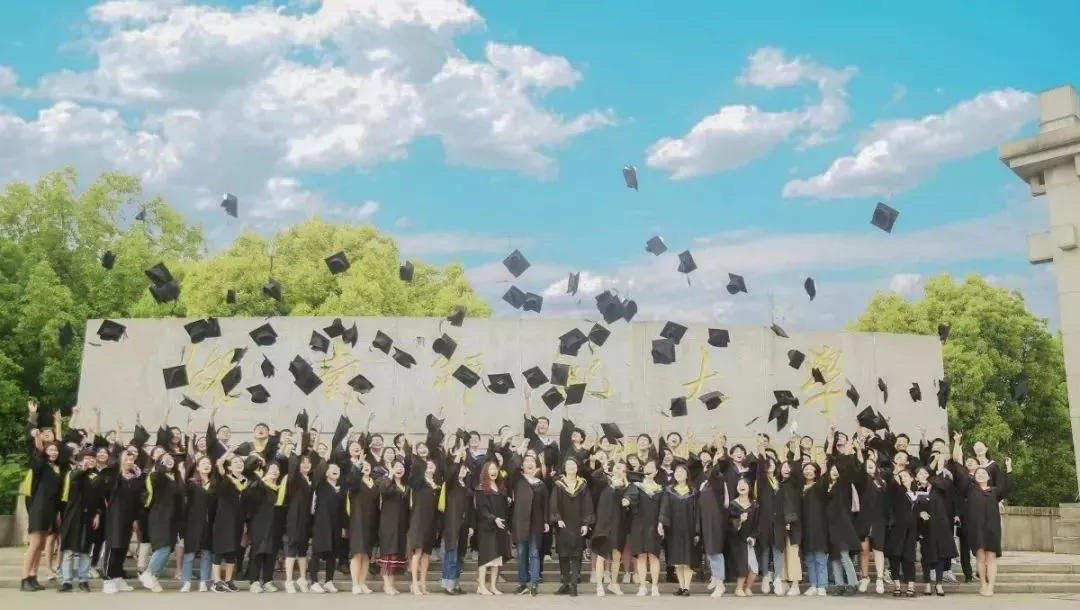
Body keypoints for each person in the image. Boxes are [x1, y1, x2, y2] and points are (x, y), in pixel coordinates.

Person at [959, 458, 1014, 596]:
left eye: (984, 473)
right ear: (974, 477)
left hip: (992, 528)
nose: (981, 475)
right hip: (976, 528)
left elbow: (1008, 488)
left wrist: (1009, 468)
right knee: (980, 557)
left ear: (989, 477)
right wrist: (970, 470)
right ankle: (983, 584)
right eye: (978, 474)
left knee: (991, 557)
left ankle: (991, 586)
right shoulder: (970, 490)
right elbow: (962, 484)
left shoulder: (994, 491)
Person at [57, 450, 104, 593]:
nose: (91, 460)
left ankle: (83, 580)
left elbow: (100, 499)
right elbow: (71, 481)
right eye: (87, 458)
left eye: (93, 458)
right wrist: (83, 469)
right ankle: (66, 581)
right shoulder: (73, 473)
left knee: (85, 550)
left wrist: (97, 514)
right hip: (72, 516)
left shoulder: (97, 477)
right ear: (80, 460)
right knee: (69, 550)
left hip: (88, 517)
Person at [508, 447, 547, 596]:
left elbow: (545, 504)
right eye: (527, 461)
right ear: (522, 465)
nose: (530, 463)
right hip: (520, 522)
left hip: (536, 522)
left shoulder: (540, 484)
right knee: (521, 553)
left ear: (536, 466)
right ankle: (523, 582)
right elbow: (512, 466)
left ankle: (534, 583)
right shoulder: (518, 480)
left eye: (532, 461)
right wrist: (520, 451)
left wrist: (546, 521)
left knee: (535, 553)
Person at [624, 460, 663, 597]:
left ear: (656, 472)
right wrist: (627, 500)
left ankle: (655, 586)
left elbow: (663, 508)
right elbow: (631, 497)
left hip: (654, 525)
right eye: (647, 467)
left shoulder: (660, 489)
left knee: (653, 556)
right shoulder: (636, 486)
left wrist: (661, 523)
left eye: (652, 467)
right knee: (641, 556)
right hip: (639, 524)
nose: (650, 469)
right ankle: (642, 586)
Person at [659, 462, 697, 596]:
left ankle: (687, 587)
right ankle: (681, 586)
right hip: (674, 529)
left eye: (682, 472)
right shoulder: (669, 490)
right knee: (678, 561)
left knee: (687, 560)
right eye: (677, 472)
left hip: (689, 529)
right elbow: (664, 508)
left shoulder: (693, 492)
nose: (679, 474)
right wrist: (661, 523)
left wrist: (697, 531)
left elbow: (697, 512)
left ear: (687, 475)